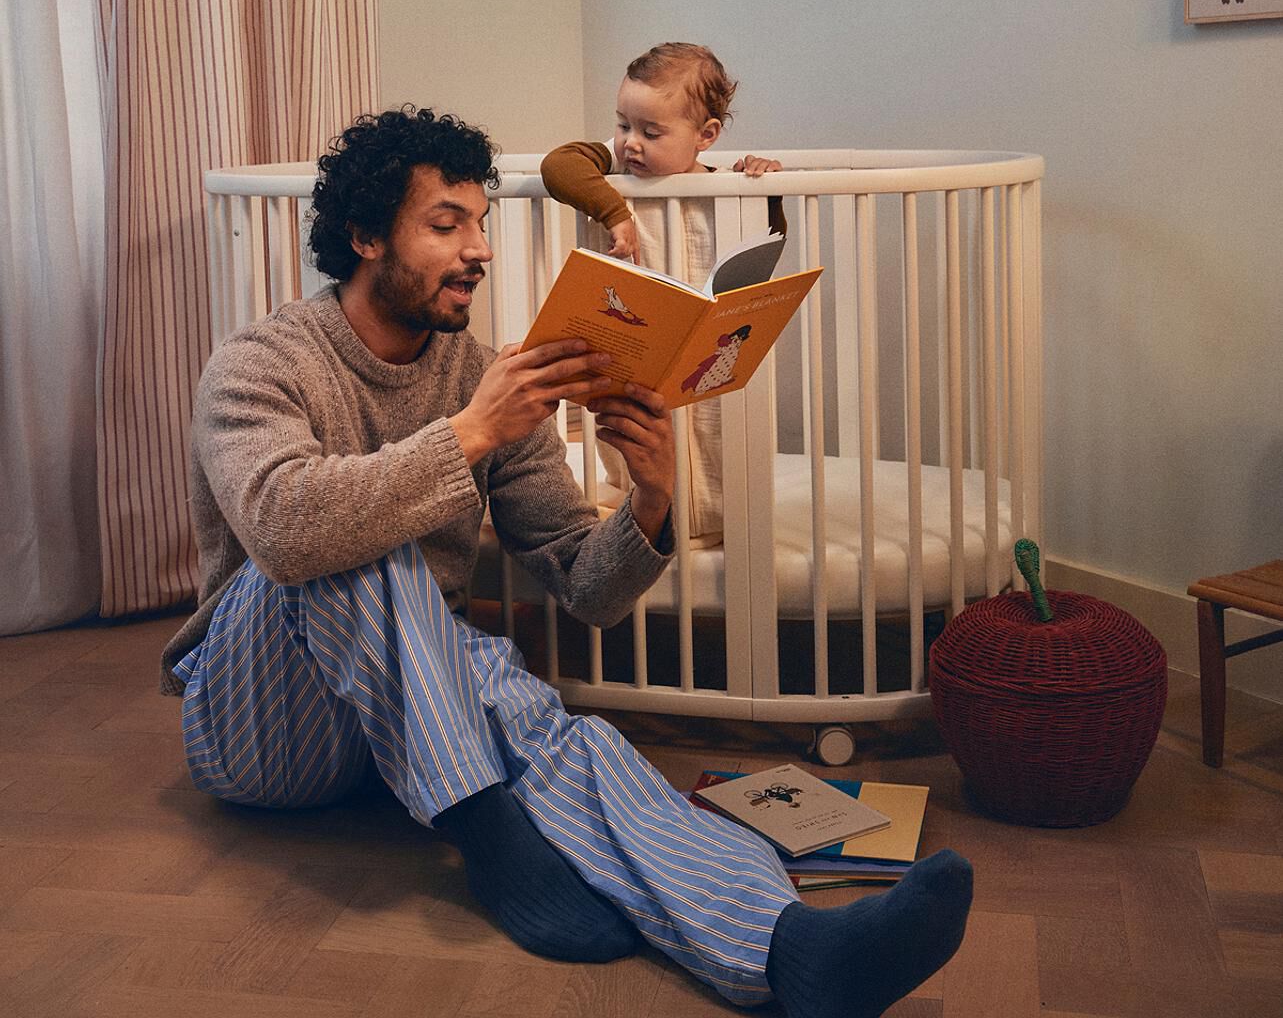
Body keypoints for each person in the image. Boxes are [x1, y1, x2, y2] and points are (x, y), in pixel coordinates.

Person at [162, 106, 972, 1017]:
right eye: (445, 225)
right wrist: (471, 432)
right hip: (263, 730)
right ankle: (486, 828)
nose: (478, 250)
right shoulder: (259, 364)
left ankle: (790, 947)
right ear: (364, 237)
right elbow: (282, 532)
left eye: (480, 224)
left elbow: (585, 589)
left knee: (556, 729)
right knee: (349, 535)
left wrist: (651, 498)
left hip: (412, 715)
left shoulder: (482, 374)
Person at [541, 42, 784, 546]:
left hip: (703, 350)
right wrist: (615, 213)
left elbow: (766, 245)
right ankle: (643, 518)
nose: (631, 143)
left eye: (651, 132)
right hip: (633, 348)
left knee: (712, 432)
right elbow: (557, 165)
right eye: (623, 124)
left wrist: (766, 193)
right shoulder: (610, 178)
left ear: (706, 136)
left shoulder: (726, 189)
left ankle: (714, 518)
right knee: (631, 433)